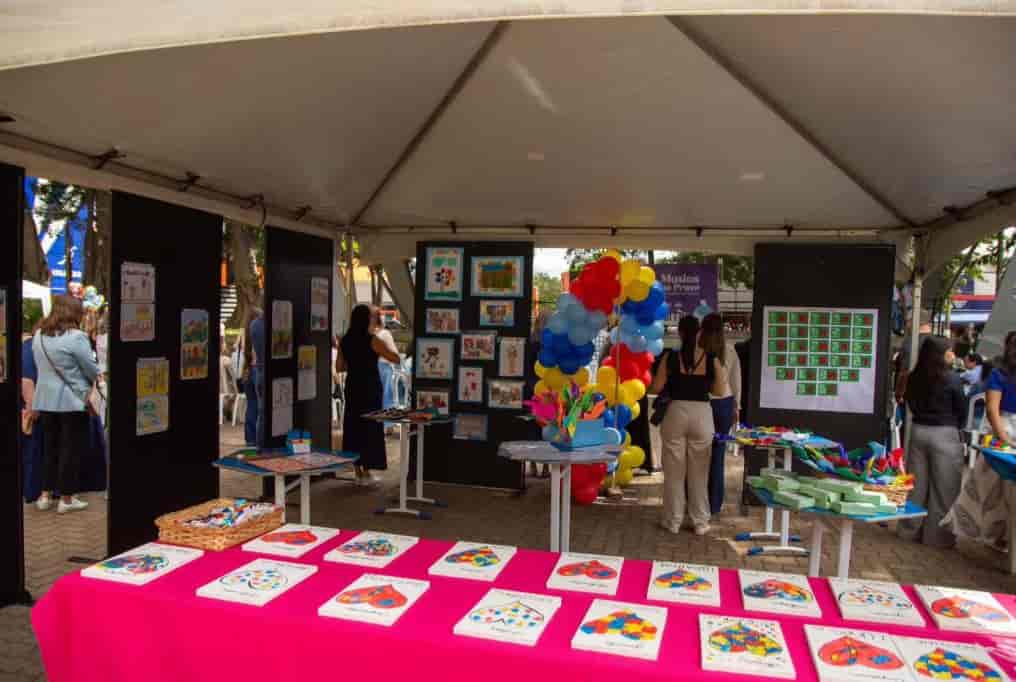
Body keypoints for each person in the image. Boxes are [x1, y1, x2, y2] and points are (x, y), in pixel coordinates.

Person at [649, 315, 723, 536]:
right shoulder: (711, 359)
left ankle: (673, 521)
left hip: (676, 413)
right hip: (702, 414)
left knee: (673, 472)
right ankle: (700, 521)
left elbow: (656, 387)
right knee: (699, 472)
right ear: (698, 332)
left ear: (680, 333)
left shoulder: (670, 358)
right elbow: (719, 391)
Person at [31, 295, 99, 514]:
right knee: (71, 449)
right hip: (71, 400)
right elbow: (90, 368)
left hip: (45, 399)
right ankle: (66, 499)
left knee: (50, 447)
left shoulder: (39, 335)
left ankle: (45, 495)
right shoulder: (76, 337)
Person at [897, 336, 965, 547]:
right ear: (940, 354)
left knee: (916, 486)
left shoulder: (914, 377)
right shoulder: (952, 378)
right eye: (949, 351)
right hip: (945, 433)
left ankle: (908, 531)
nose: (952, 355)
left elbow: (910, 403)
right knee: (944, 488)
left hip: (918, 431)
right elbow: (961, 409)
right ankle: (937, 538)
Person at [336, 304, 400, 484]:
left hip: (353, 385)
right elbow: (394, 358)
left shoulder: (345, 340)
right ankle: (368, 471)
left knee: (353, 425)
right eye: (371, 317)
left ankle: (357, 472)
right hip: (370, 387)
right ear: (366, 320)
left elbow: (339, 367)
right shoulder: (373, 340)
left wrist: (355, 363)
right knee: (370, 426)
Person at [700, 313, 741, 515]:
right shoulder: (730, 350)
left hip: (702, 404)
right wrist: (737, 407)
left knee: (697, 456)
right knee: (718, 455)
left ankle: (697, 502)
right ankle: (715, 504)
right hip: (724, 405)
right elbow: (736, 382)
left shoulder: (698, 350)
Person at [247, 307, 265, 447]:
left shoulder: (253, 326)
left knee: (258, 409)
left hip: (256, 370)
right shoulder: (265, 325)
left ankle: (255, 441)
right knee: (261, 409)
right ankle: (261, 442)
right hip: (261, 370)